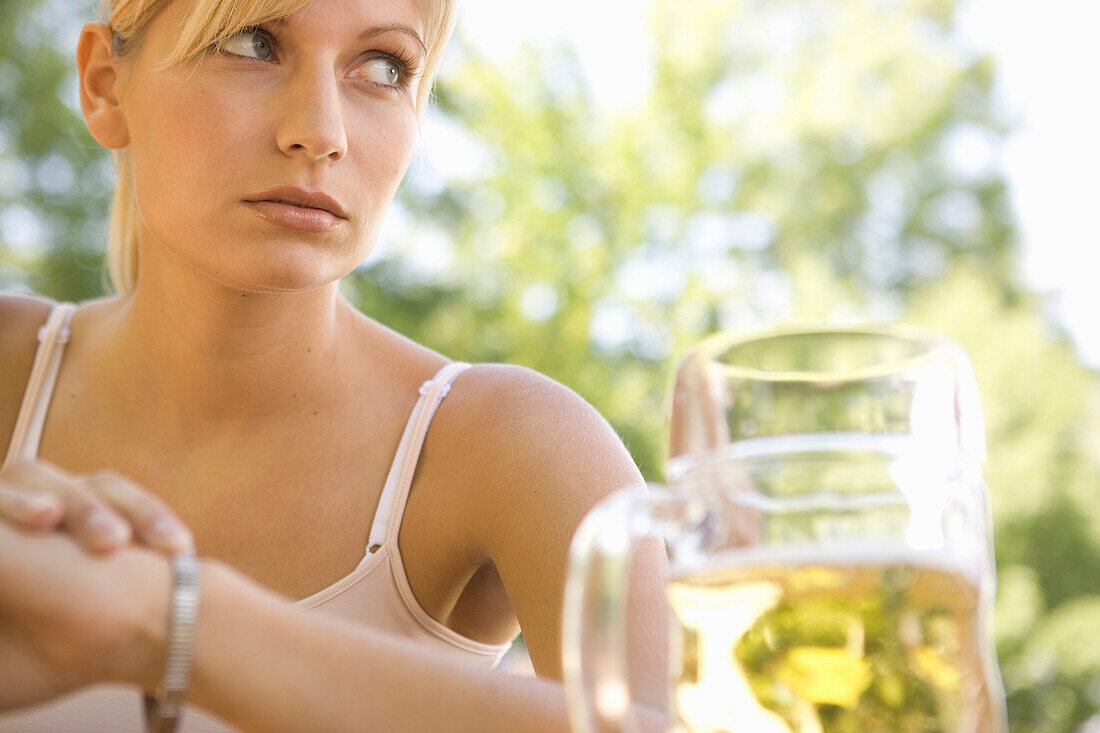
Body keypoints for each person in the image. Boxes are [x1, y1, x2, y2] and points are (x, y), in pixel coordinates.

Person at [0, 0, 668, 730]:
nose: (318, 133)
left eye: (383, 67)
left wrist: (175, 622)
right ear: (103, 84)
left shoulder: (515, 444)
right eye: (252, 43)